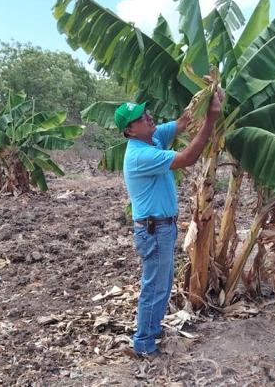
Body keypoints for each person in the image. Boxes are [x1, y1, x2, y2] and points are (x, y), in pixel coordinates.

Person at [114, 89, 224, 359]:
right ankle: (143, 344)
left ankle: (150, 331)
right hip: (154, 230)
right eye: (140, 118)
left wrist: (206, 95)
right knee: (155, 286)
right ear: (129, 131)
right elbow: (188, 158)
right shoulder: (140, 154)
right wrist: (210, 121)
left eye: (146, 113)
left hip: (162, 227)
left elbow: (184, 121)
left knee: (160, 284)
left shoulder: (153, 138)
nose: (148, 117)